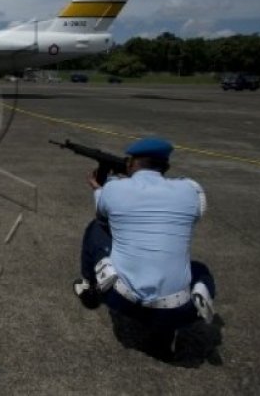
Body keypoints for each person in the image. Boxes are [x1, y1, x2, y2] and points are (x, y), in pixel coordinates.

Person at [73, 137, 216, 360]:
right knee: (200, 270)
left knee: (96, 230)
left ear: (130, 163)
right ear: (166, 167)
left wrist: (99, 189)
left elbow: (103, 216)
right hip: (176, 309)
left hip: (124, 301)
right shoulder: (191, 190)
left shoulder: (113, 189)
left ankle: (90, 287)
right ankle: (167, 335)